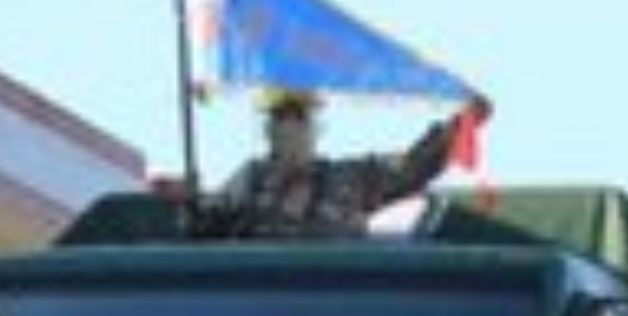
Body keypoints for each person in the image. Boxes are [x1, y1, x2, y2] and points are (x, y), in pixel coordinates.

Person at [208, 88, 491, 238]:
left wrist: (458, 127)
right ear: (268, 129)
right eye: (281, 117)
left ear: (316, 128)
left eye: (299, 116)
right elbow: (210, 222)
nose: (290, 125)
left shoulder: (351, 177)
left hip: (339, 299)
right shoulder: (249, 179)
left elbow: (411, 169)